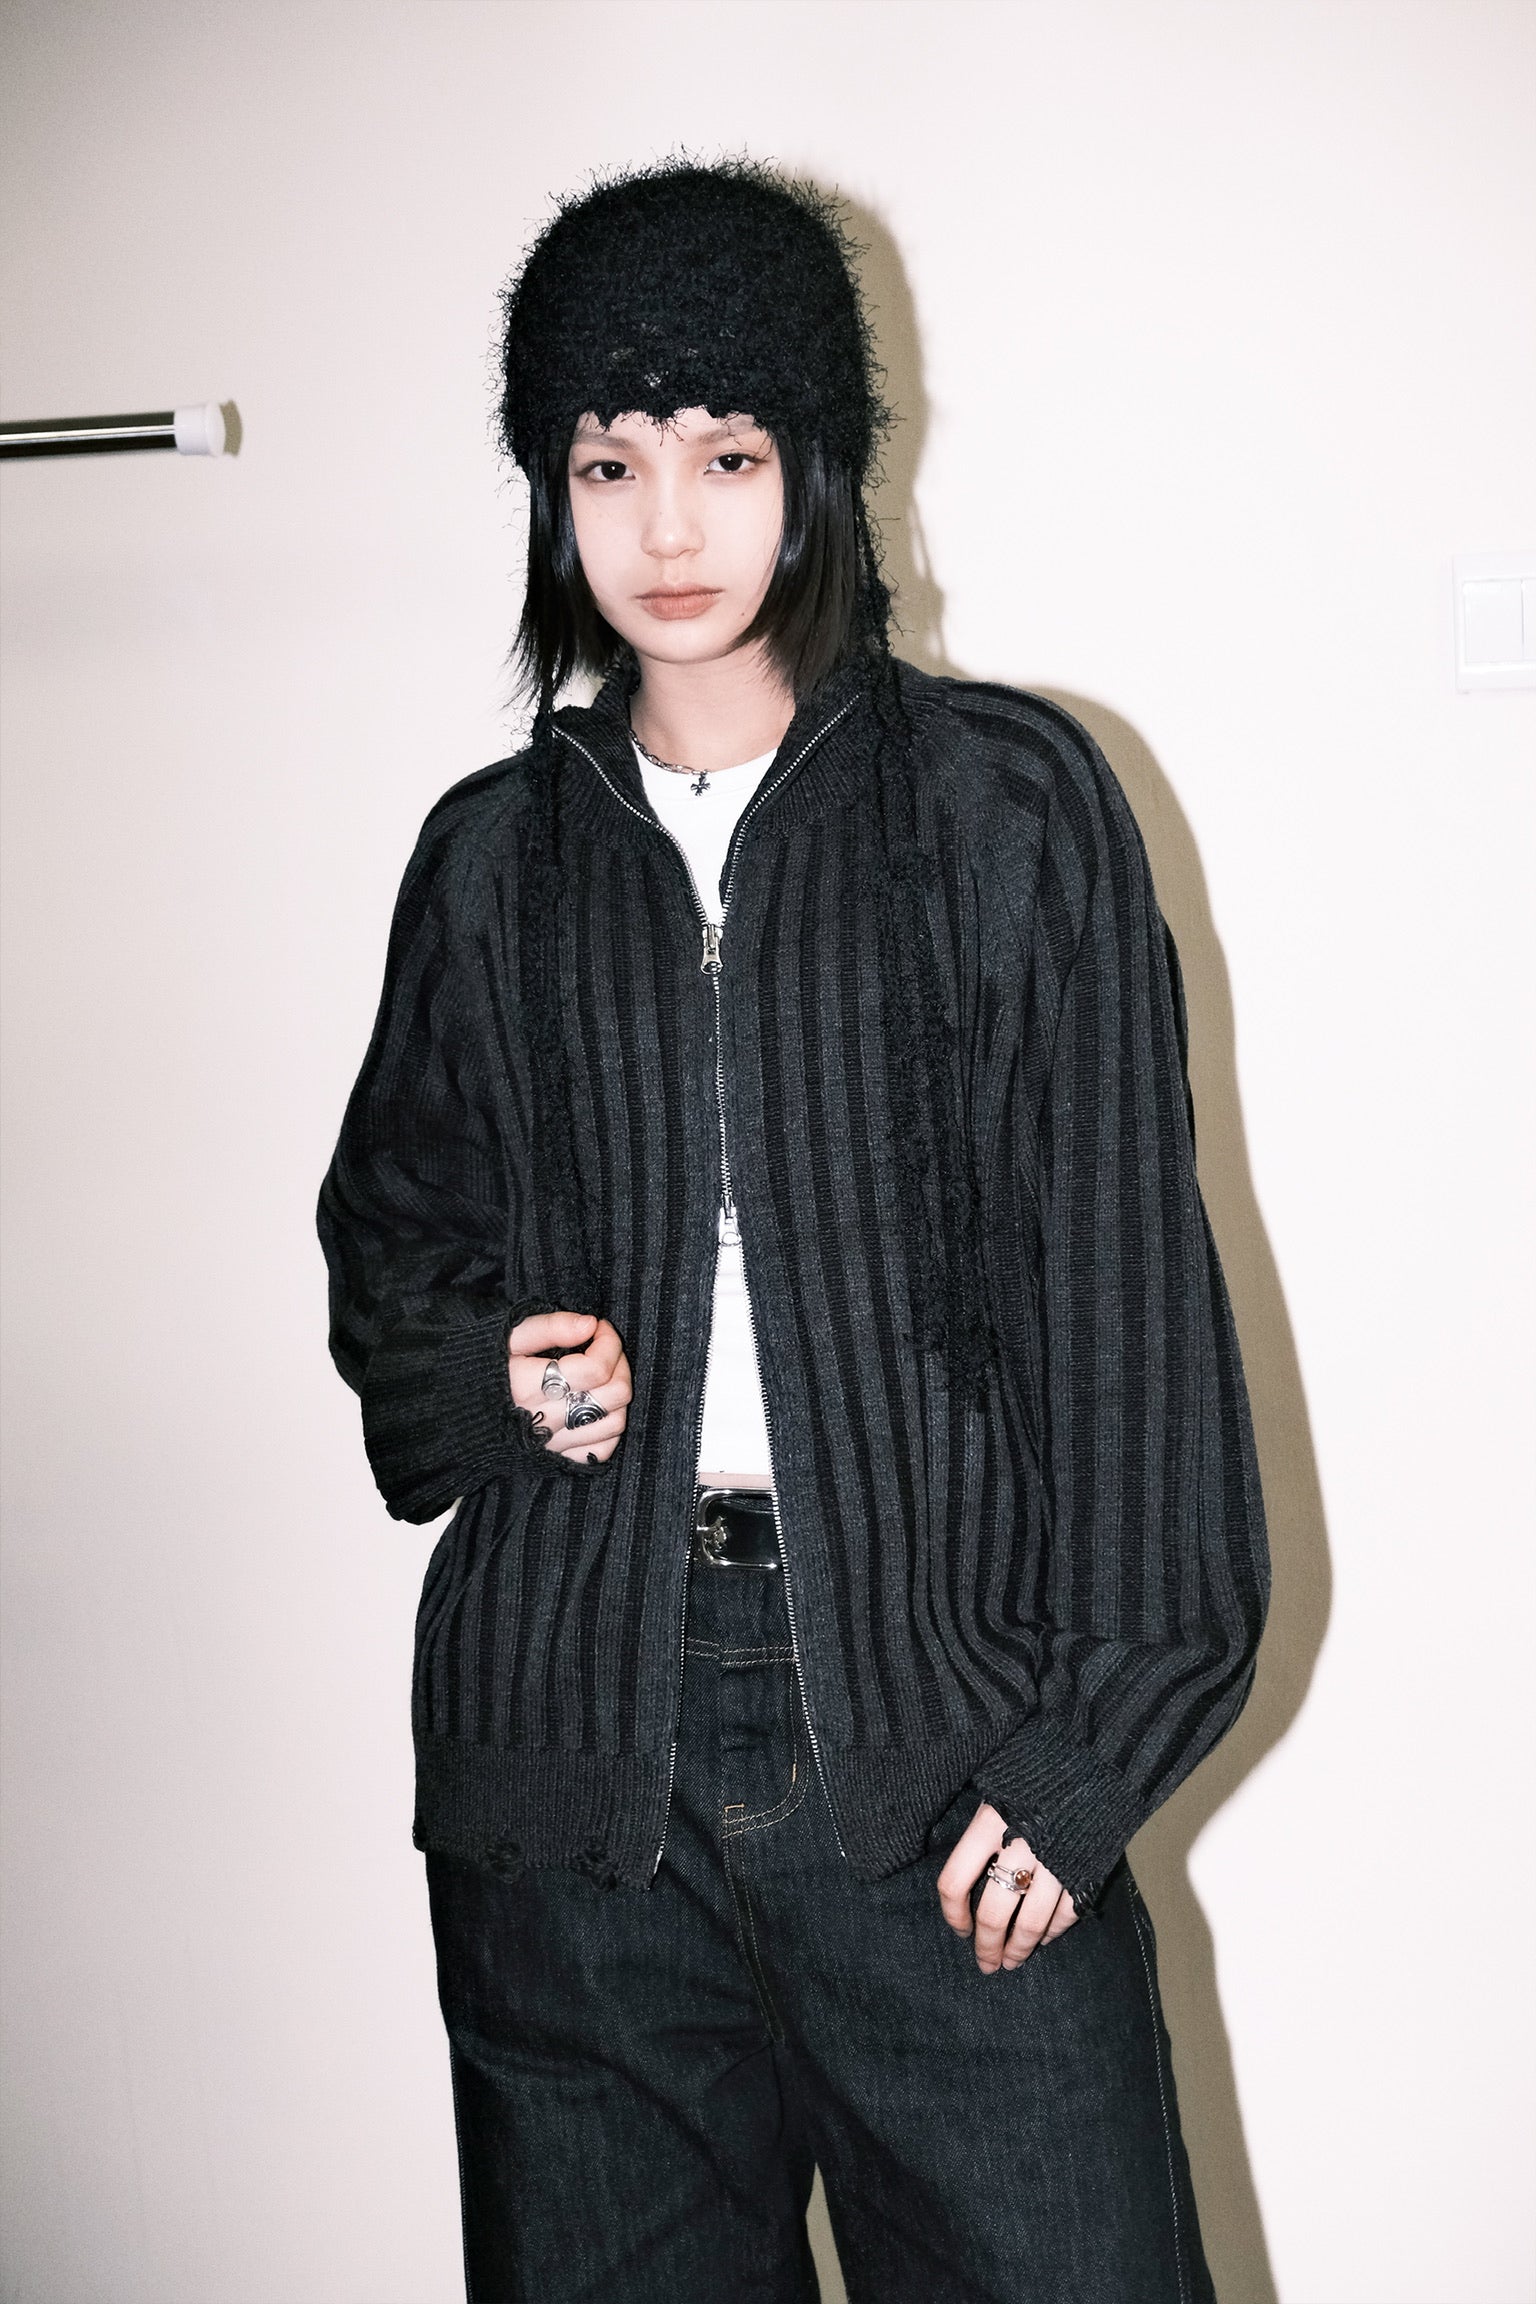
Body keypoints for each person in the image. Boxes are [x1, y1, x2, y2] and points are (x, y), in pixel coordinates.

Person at [317, 158, 1269, 2304]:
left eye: (727, 455)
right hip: (576, 1791)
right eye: (610, 463)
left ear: (816, 468)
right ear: (553, 492)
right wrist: (488, 1370)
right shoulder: (490, 864)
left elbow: (1129, 1301)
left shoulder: (1009, 811)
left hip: (942, 1744)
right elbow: (391, 1261)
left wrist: (1094, 1749)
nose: (668, 526)